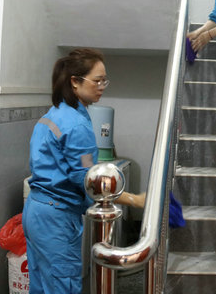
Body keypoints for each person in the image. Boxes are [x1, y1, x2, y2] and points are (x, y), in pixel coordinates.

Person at [22, 48, 144, 293]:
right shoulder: (76, 124)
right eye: (97, 80)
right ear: (75, 82)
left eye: (104, 81)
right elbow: (90, 181)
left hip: (36, 212)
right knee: (62, 285)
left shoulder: (54, 114)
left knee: (42, 285)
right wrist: (135, 200)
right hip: (57, 217)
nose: (102, 86)